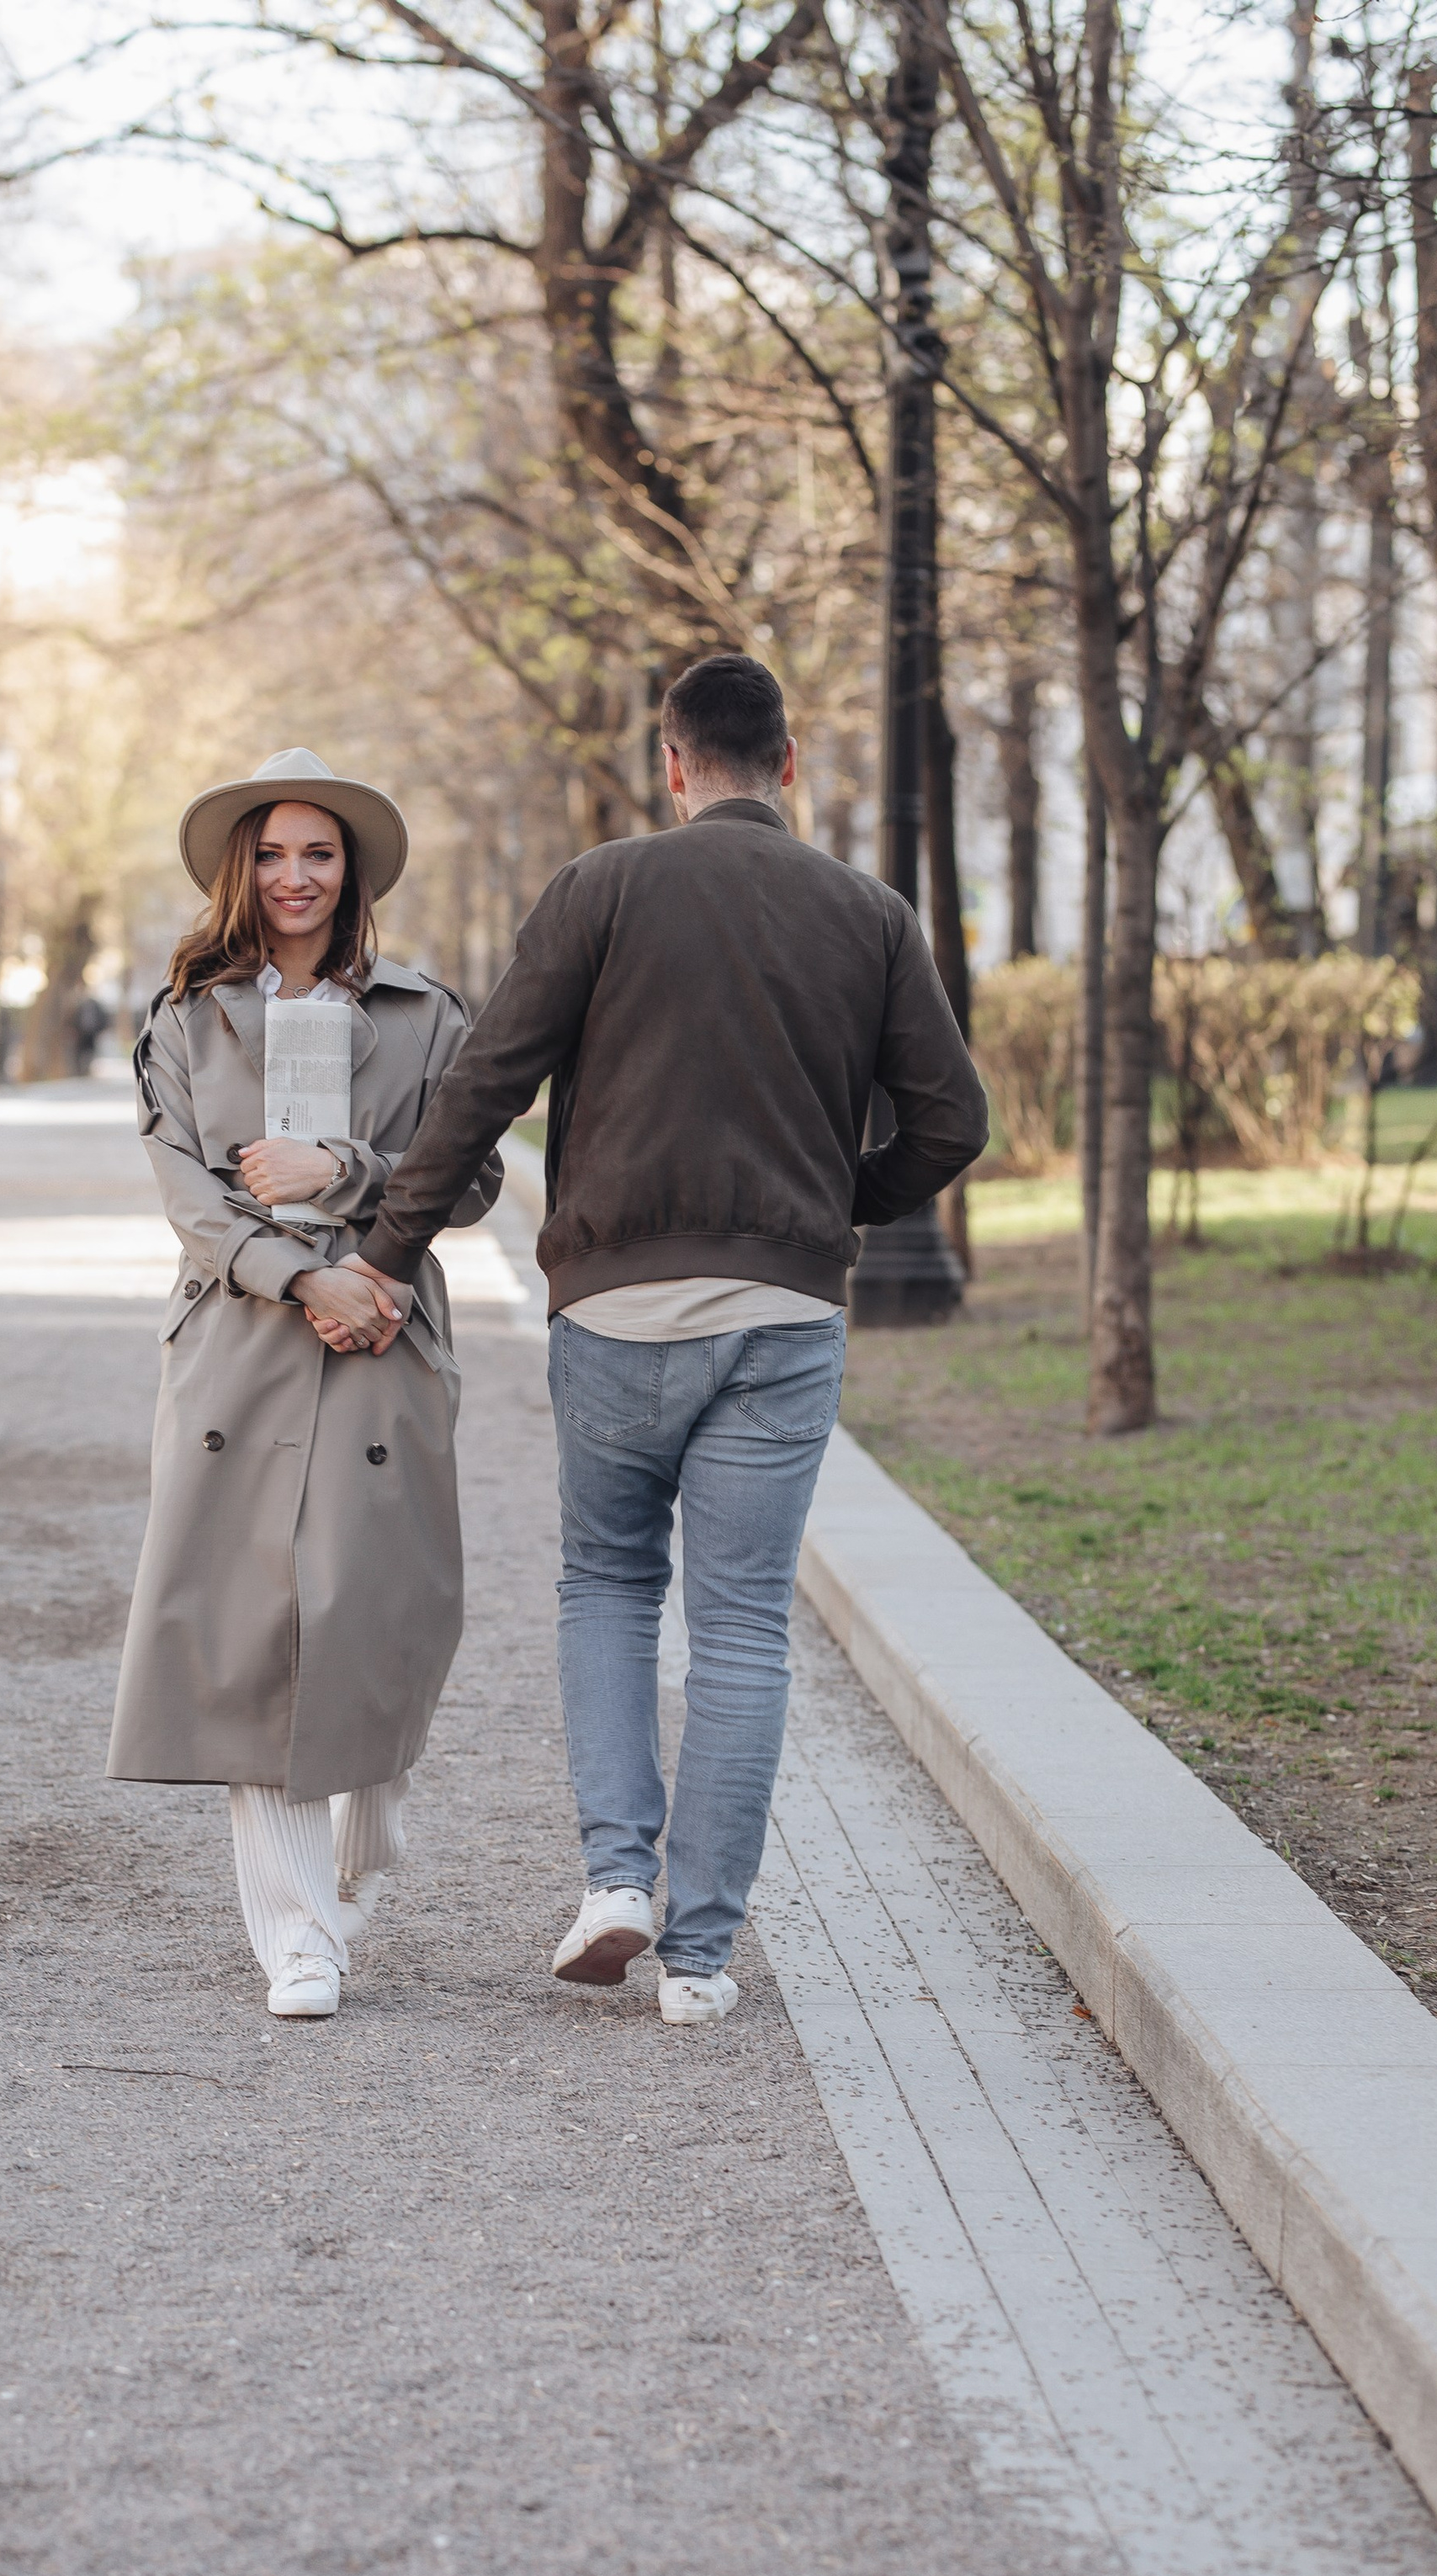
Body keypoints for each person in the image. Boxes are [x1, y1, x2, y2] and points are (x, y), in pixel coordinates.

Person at [347, 653, 988, 2025]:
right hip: (782, 1316)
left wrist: (386, 1256)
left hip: (619, 1307)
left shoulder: (602, 887)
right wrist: (828, 1212)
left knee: (610, 1587)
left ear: (674, 761)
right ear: (792, 761)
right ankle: (701, 1959)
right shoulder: (871, 915)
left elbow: (484, 1085)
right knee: (746, 1621)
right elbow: (952, 1125)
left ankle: (617, 1883)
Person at [107, 746, 501, 2021]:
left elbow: (475, 1181)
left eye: (317, 853)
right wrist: (302, 1279)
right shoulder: (185, 1018)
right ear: (241, 868)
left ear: (351, 870)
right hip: (242, 1346)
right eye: (271, 853)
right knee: (254, 1635)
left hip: (388, 1334)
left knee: (385, 1612)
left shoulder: (425, 1013)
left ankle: (369, 1826)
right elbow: (192, 1200)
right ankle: (296, 1939)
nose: (293, 875)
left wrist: (344, 1175)